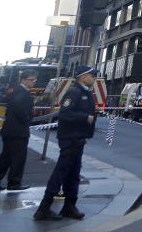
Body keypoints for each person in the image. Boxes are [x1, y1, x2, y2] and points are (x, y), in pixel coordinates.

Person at [33, 65, 98, 221]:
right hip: (70, 139)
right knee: (61, 173)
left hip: (78, 138)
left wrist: (85, 135)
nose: (94, 79)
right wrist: (85, 118)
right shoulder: (74, 92)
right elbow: (65, 114)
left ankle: (69, 206)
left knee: (73, 174)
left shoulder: (85, 93)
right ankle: (44, 207)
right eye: (92, 76)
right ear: (83, 77)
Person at [0, 70, 37, 192]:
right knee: (18, 158)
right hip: (18, 131)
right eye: (31, 79)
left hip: (11, 130)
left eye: (34, 79)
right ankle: (14, 182)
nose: (33, 82)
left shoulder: (17, 91)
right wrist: (28, 118)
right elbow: (20, 110)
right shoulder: (22, 93)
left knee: (5, 158)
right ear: (23, 80)